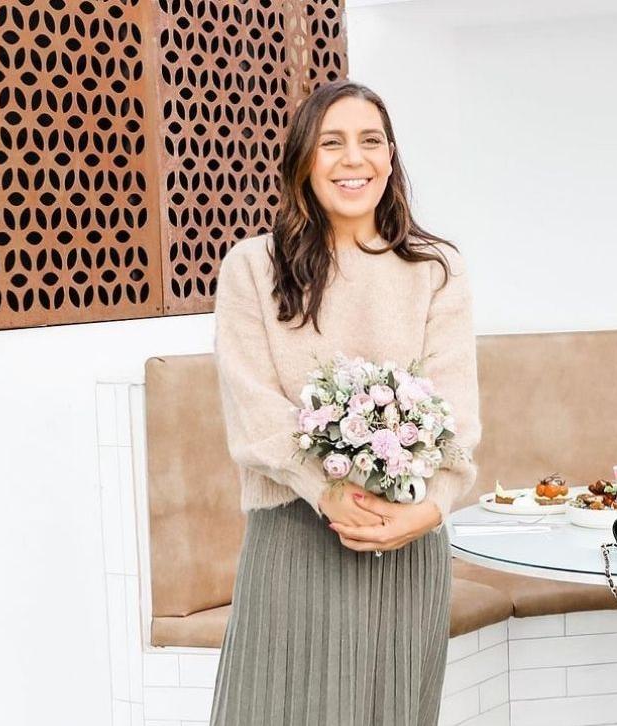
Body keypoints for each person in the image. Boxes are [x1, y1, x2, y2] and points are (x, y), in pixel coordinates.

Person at [208, 79, 481, 726]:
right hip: (296, 535)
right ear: (303, 159)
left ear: (390, 157)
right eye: (331, 143)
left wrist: (433, 508)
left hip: (409, 540)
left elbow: (456, 416)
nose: (352, 159)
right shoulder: (252, 267)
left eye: (369, 142)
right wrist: (325, 490)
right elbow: (254, 410)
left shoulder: (437, 268)